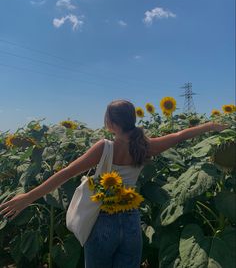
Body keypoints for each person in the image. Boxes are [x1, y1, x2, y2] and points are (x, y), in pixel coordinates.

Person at [0, 99, 228, 268]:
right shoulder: (145, 146)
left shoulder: (105, 147)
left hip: (102, 221)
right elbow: (181, 135)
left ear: (110, 123)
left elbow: (66, 174)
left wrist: (28, 197)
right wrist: (211, 127)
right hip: (131, 223)